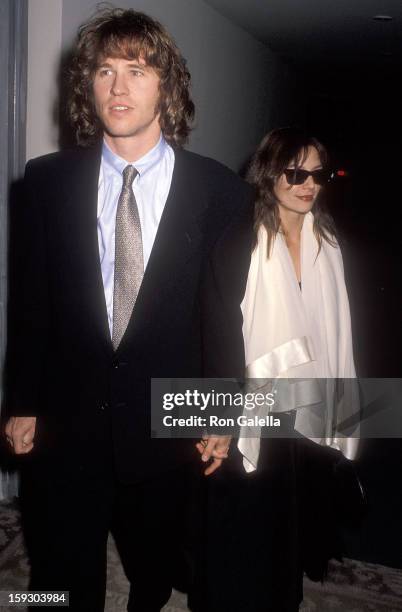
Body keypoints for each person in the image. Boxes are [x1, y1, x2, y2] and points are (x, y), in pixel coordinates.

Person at [3, 7, 252, 611]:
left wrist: (222, 412)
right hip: (68, 414)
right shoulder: (46, 181)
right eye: (105, 70)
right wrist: (21, 402)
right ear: (87, 85)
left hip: (167, 419)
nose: (118, 87)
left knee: (155, 562)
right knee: (59, 573)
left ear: (168, 85)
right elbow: (31, 302)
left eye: (137, 70)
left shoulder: (220, 192)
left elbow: (222, 314)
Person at [199, 127, 359, 612]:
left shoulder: (325, 239)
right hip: (255, 395)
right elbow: (219, 329)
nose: (308, 184)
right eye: (295, 173)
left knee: (290, 518)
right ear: (270, 174)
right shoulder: (242, 236)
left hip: (305, 399)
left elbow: (336, 326)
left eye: (318, 174)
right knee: (242, 516)